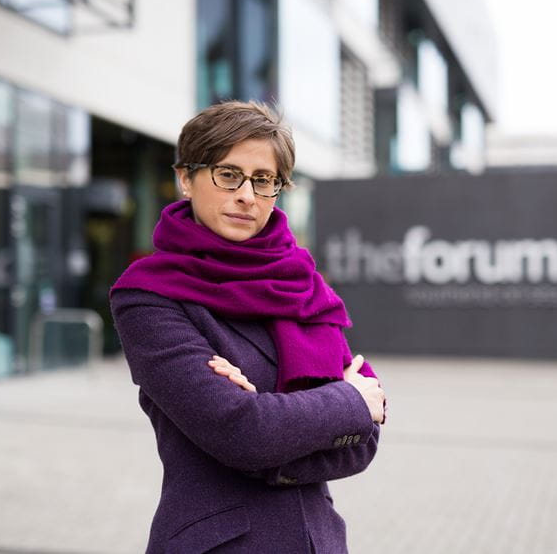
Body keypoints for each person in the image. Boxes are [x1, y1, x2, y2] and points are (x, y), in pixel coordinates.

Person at [109, 101, 385, 553]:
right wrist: (347, 400)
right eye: (228, 174)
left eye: (264, 180)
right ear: (185, 178)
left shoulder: (300, 283)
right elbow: (243, 434)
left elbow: (364, 442)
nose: (247, 195)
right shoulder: (149, 295)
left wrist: (267, 427)